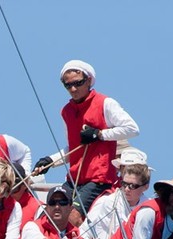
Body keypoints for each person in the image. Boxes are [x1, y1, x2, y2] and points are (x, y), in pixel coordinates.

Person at [33, 60, 139, 223]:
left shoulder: (105, 103)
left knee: (73, 215)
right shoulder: (66, 111)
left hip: (98, 178)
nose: (73, 89)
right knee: (46, 216)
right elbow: (74, 148)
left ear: (89, 80)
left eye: (78, 83)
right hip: (74, 178)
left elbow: (132, 129)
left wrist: (99, 134)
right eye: (68, 85)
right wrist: (51, 161)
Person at [82, 147, 151, 239]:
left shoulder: (148, 205)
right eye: (123, 169)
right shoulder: (108, 200)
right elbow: (84, 231)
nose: (128, 188)